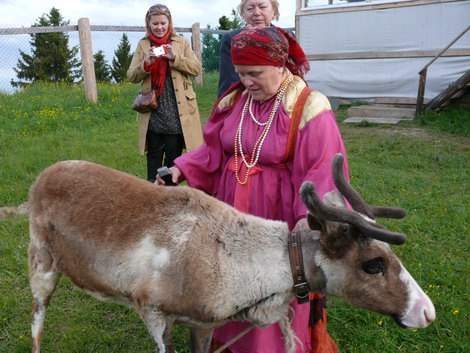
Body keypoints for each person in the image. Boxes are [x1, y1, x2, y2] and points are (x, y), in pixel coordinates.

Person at [158, 27, 346, 353]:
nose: (247, 82)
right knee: (231, 280)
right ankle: (231, 342)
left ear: (280, 65)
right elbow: (214, 151)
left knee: (269, 286)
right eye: (242, 73)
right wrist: (180, 168)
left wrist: (310, 218)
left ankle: (272, 346)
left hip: (277, 217)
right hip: (232, 213)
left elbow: (322, 169)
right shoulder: (236, 101)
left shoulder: (308, 107)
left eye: (255, 73)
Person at [127, 3, 203, 182]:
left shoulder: (181, 42)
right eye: (155, 24)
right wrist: (147, 63)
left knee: (172, 159)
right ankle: (151, 193)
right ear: (149, 24)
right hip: (154, 110)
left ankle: (169, 193)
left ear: (169, 23)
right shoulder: (143, 45)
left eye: (163, 23)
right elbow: (131, 75)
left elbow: (196, 69)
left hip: (177, 111)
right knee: (153, 156)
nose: (159, 27)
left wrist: (175, 58)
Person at [218, 0, 281, 97]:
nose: (257, 13)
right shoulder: (232, 39)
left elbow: (295, 76)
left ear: (274, 11)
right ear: (243, 14)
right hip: (247, 100)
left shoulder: (285, 38)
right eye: (250, 8)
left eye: (262, 7)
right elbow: (228, 83)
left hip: (283, 100)